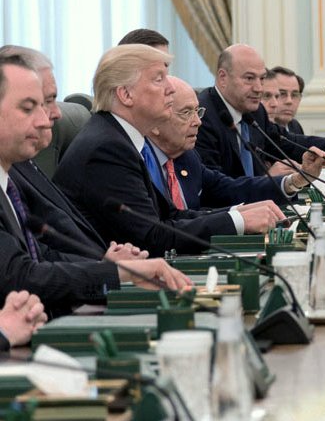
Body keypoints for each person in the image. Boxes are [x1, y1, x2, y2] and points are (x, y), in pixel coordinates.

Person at [0, 54, 190, 315]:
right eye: (27, 107)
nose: (45, 120)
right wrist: (113, 271)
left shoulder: (10, 179)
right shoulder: (104, 147)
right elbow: (20, 276)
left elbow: (37, 260)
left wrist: (107, 267)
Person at [54, 44, 286, 257]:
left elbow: (169, 217)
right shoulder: (107, 149)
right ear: (125, 94)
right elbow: (152, 238)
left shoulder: (123, 138)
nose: (170, 89)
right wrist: (237, 220)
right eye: (159, 80)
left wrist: (239, 213)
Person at [0, 45, 145, 260]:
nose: (54, 113)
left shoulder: (24, 164)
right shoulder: (12, 169)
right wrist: (106, 269)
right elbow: (28, 265)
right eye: (30, 106)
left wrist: (107, 264)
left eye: (44, 103)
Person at [150, 77, 321, 209]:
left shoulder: (187, 158)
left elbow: (230, 189)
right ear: (155, 123)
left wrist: (295, 180)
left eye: (197, 111)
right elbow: (170, 224)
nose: (197, 122)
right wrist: (238, 218)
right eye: (186, 113)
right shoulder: (140, 162)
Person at [195, 44, 325, 178]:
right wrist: (268, 180)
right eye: (249, 78)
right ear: (223, 78)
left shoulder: (255, 111)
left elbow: (289, 143)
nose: (258, 88)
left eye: (261, 79)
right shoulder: (202, 117)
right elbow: (215, 189)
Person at [263, 66, 305, 134]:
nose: (289, 101)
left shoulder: (295, 126)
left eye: (294, 95)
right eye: (281, 94)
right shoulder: (256, 129)